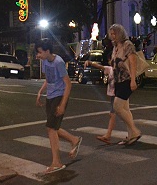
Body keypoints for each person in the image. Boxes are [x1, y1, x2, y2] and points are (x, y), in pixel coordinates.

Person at [35, 39, 81, 175]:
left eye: (39, 52)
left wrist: (62, 104)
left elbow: (68, 84)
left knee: (50, 128)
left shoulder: (58, 62)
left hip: (59, 96)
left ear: (47, 51)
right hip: (50, 96)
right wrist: (40, 92)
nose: (38, 55)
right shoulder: (45, 62)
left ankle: (57, 162)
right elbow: (48, 80)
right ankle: (74, 140)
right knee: (53, 127)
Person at [109, 23, 142, 146]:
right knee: (125, 109)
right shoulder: (115, 47)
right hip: (118, 81)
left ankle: (135, 130)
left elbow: (133, 62)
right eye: (111, 34)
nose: (112, 36)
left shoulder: (127, 45)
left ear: (120, 33)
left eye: (114, 33)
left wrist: (133, 80)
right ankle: (131, 135)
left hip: (127, 80)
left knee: (117, 107)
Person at [84, 58, 116, 144]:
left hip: (118, 95)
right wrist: (90, 63)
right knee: (121, 114)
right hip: (114, 95)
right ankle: (132, 132)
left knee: (113, 114)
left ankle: (108, 135)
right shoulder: (110, 69)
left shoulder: (119, 71)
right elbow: (100, 67)